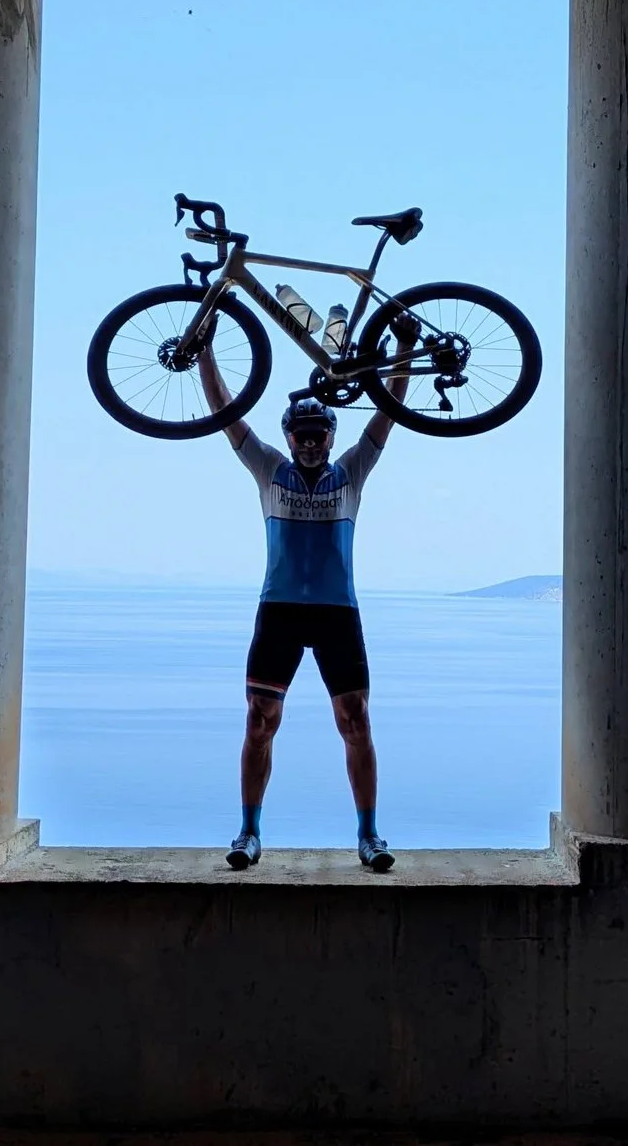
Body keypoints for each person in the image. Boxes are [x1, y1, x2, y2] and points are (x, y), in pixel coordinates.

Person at [198, 346, 410, 873]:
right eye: (302, 435)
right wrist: (204, 353)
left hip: (338, 612)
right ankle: (248, 831)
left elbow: (387, 414)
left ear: (332, 438)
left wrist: (404, 353)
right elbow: (226, 412)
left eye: (320, 435)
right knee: (259, 721)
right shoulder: (268, 468)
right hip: (281, 611)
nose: (312, 443)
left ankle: (369, 835)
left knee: (356, 721)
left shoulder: (352, 471)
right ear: (289, 437)